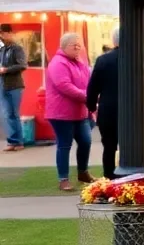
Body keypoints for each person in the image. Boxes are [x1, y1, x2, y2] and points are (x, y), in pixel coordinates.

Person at [45, 32, 94, 191]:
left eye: (80, 45)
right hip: (61, 113)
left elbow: (88, 81)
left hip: (80, 111)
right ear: (64, 46)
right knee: (64, 145)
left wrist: (91, 95)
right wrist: (87, 96)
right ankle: (63, 179)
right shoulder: (58, 63)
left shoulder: (79, 62)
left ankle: (83, 172)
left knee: (86, 141)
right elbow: (64, 86)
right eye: (75, 45)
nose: (78, 48)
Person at [86, 28, 120, 179]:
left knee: (109, 147)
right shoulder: (139, 58)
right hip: (132, 112)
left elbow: (93, 87)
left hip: (109, 109)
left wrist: (91, 106)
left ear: (114, 41)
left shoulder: (103, 60)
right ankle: (132, 176)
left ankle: (109, 177)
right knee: (131, 147)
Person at [0, 23, 27, 152]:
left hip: (15, 85)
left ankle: (19, 142)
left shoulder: (17, 49)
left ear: (10, 33)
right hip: (3, 85)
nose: (2, 36)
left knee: (14, 114)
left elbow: (22, 65)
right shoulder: (3, 49)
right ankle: (12, 141)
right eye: (1, 34)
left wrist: (6, 70)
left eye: (4, 33)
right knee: (6, 114)